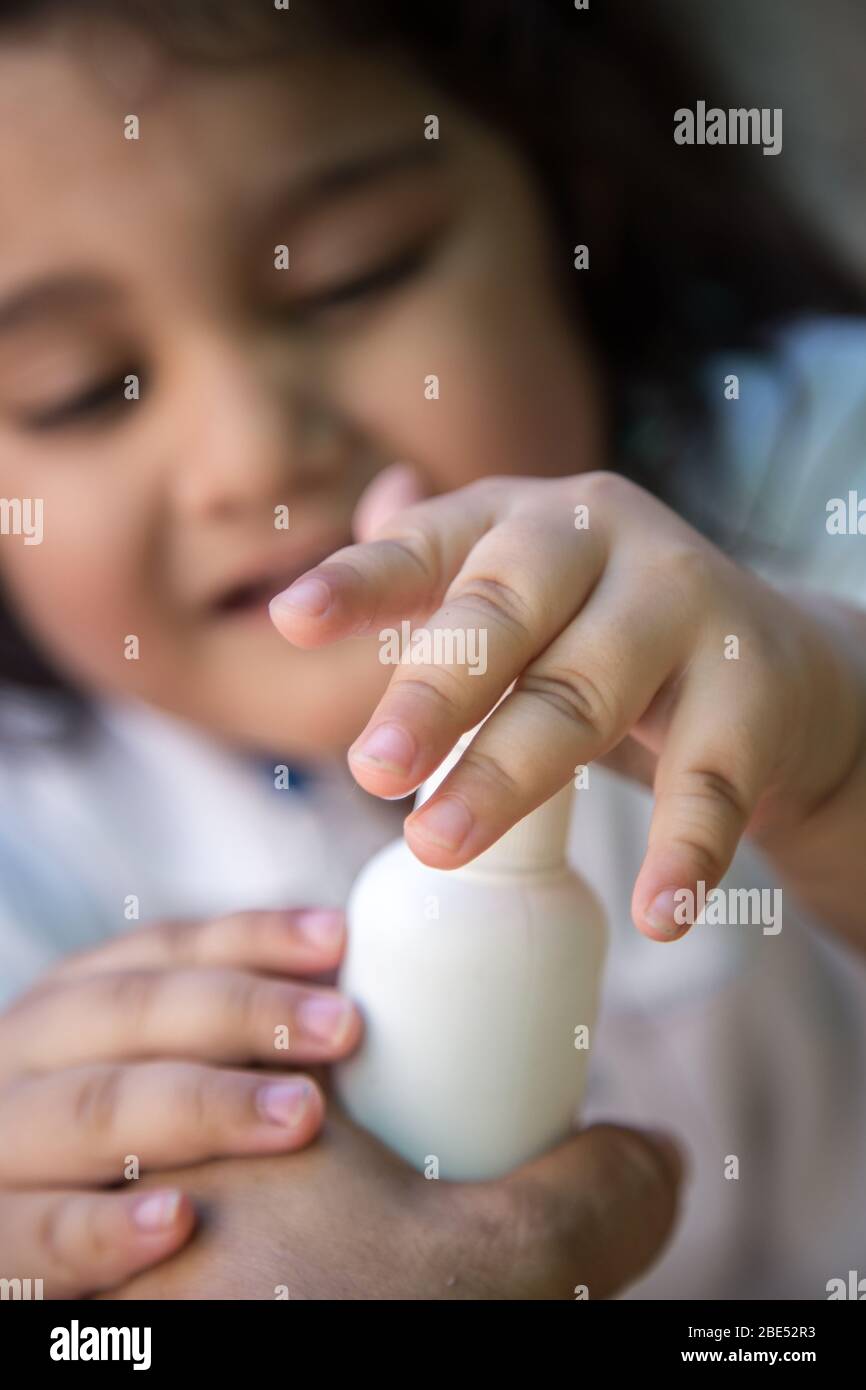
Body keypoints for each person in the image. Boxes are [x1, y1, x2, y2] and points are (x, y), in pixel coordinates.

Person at [0, 0, 864, 1300]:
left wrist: (836, 756)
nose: (251, 452)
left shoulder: (811, 462)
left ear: (569, 200)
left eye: (353, 274)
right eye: (78, 388)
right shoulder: (35, 838)